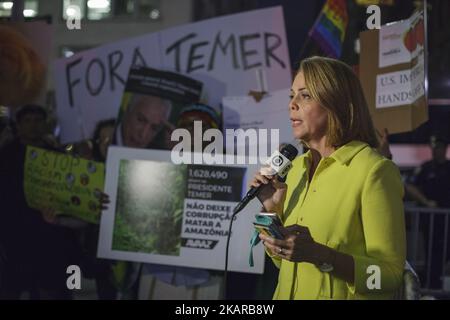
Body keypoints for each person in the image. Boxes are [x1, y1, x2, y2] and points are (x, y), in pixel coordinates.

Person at [250, 56, 406, 299]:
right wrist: (272, 211)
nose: (292, 104)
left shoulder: (374, 171)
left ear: (336, 103)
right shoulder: (295, 168)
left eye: (305, 95)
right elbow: (288, 265)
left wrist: (322, 255)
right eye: (292, 95)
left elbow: (390, 276)